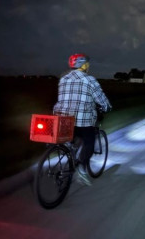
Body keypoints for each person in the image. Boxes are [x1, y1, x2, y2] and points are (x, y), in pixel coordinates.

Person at [53, 53, 111, 187]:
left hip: (63, 119)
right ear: (84, 65)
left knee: (72, 135)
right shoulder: (89, 79)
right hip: (82, 120)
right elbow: (101, 99)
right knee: (89, 140)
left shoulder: (63, 79)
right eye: (87, 64)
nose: (88, 66)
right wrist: (107, 107)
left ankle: (70, 149)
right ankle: (82, 169)